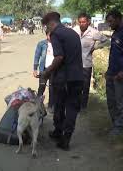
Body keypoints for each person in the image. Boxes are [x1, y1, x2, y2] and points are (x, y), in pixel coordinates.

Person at [41, 12, 84, 151]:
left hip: (64, 78)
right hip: (78, 77)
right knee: (72, 108)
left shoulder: (56, 34)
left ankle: (58, 132)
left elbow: (59, 57)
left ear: (51, 23)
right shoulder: (72, 33)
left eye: (46, 25)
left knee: (59, 105)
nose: (47, 28)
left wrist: (47, 71)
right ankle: (66, 138)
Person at [73, 13, 107, 109]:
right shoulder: (74, 30)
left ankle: (83, 106)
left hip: (86, 64)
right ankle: (76, 104)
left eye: (84, 22)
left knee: (85, 86)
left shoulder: (93, 32)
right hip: (74, 64)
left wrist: (95, 47)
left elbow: (105, 40)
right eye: (80, 22)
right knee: (75, 85)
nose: (82, 24)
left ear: (88, 22)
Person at [33, 29, 53, 115]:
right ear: (46, 35)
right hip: (43, 69)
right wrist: (35, 69)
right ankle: (37, 106)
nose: (51, 37)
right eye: (49, 35)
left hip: (54, 69)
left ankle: (51, 106)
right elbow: (37, 56)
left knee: (53, 89)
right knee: (41, 87)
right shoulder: (41, 44)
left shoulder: (58, 44)